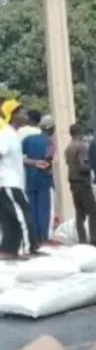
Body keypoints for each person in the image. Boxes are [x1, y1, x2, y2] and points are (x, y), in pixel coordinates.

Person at [0, 102, 38, 259]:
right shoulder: (6, 134)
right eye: (22, 111)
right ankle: (29, 248)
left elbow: (13, 157)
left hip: (12, 182)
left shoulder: (14, 134)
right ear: (13, 115)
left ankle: (8, 250)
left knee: (10, 219)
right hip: (9, 182)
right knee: (24, 214)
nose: (25, 114)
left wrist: (34, 162)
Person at [21, 113, 55, 243]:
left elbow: (20, 157)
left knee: (32, 209)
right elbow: (47, 160)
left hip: (30, 178)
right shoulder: (50, 143)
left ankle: (33, 237)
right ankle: (44, 237)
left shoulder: (28, 139)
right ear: (51, 128)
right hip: (44, 179)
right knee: (44, 209)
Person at [65, 123, 96, 246]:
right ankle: (94, 241)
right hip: (83, 183)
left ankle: (82, 240)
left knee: (80, 213)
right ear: (80, 133)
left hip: (73, 183)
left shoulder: (69, 148)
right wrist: (93, 165)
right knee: (93, 213)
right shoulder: (82, 147)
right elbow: (83, 166)